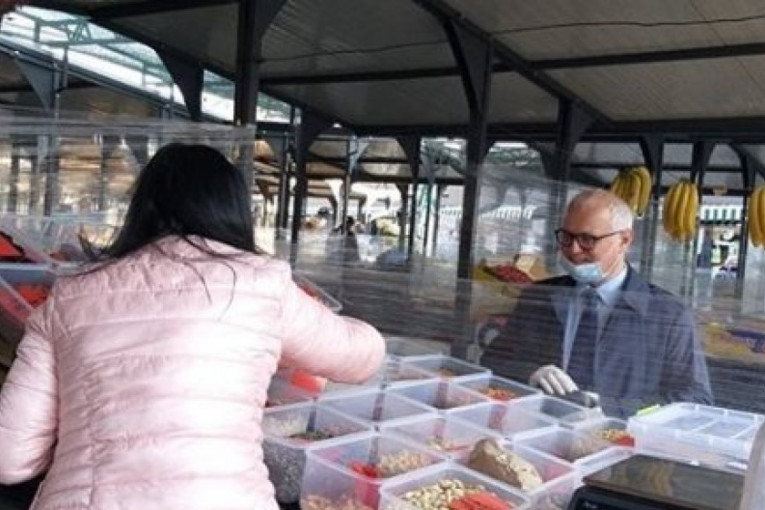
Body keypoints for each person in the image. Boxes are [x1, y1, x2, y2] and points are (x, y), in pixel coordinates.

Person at [0, 143, 386, 510]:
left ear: (140, 208)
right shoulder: (261, 284)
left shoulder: (69, 296)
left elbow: (9, 458)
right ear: (233, 209)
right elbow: (361, 358)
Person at [482, 189, 712, 418]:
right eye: (567, 237)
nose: (573, 249)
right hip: (540, 431)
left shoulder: (667, 314)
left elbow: (694, 398)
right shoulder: (540, 297)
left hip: (621, 437)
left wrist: (612, 409)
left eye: (587, 240)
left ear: (624, 240)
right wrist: (530, 372)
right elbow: (493, 361)